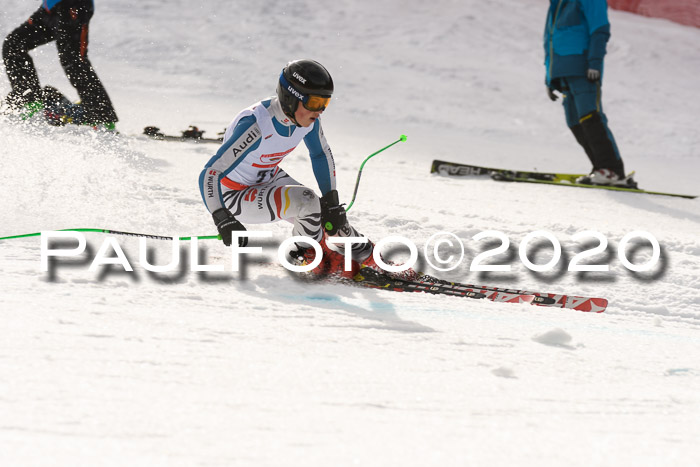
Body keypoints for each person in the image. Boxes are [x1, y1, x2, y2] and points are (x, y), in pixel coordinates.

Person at [198, 59, 377, 277]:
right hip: (234, 195)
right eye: (314, 103)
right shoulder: (256, 125)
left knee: (330, 218)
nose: (319, 111)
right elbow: (210, 173)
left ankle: (370, 257)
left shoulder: (308, 121)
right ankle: (307, 258)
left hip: (266, 178)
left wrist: (331, 199)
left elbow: (320, 155)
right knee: (306, 201)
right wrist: (222, 217)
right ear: (292, 99)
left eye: (325, 103)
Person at [544, 0, 633, 187]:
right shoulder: (557, 3)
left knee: (590, 117)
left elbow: (599, 29)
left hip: (583, 68)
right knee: (575, 122)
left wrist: (594, 62)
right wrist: (549, 77)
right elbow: (549, 39)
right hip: (563, 71)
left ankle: (613, 171)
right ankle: (600, 169)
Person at [2, 0, 118, 128]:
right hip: (49, 8)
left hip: (72, 6)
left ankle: (102, 118)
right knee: (14, 44)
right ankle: (30, 102)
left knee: (73, 61)